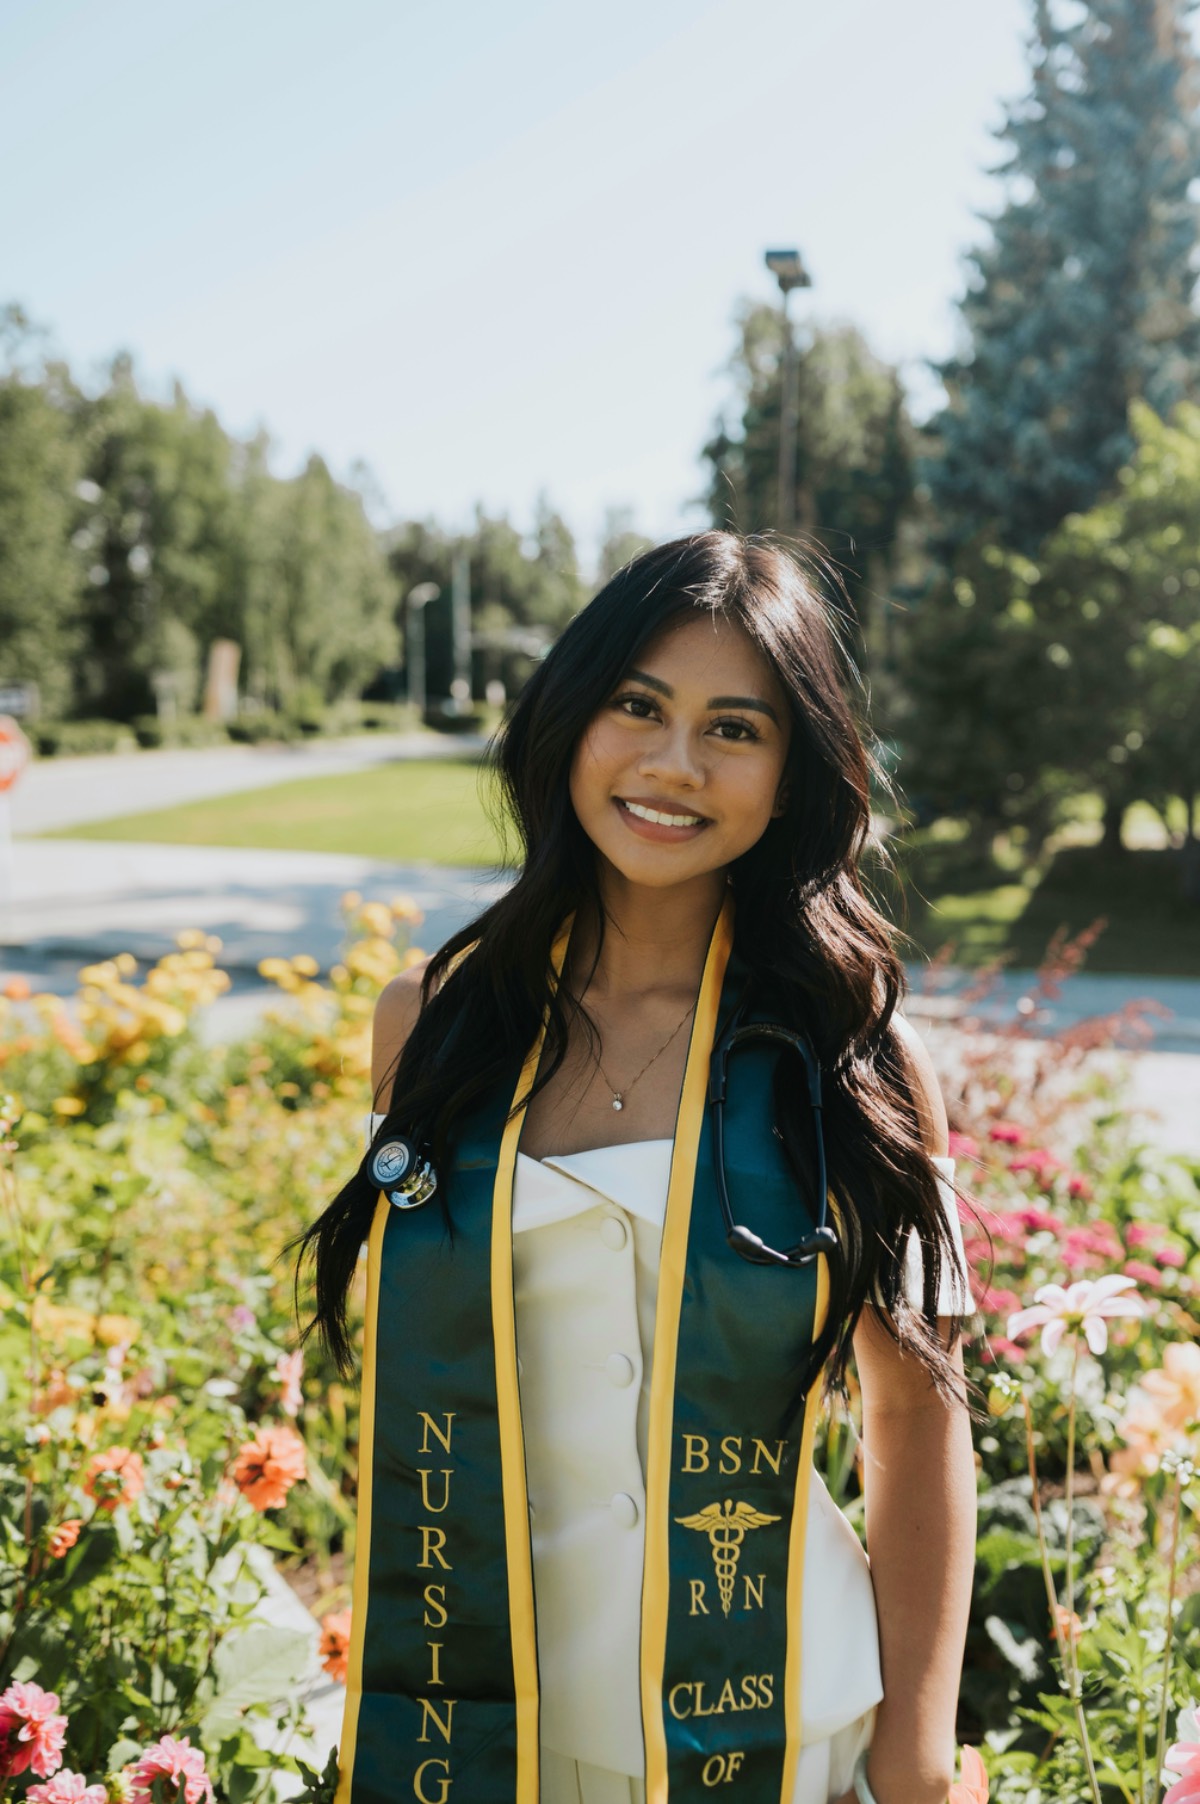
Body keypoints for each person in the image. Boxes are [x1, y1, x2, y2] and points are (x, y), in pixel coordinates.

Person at [298, 531, 978, 1804]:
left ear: (796, 772)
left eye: (735, 727)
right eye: (638, 706)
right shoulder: (430, 1026)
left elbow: (918, 1415)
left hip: (777, 1731)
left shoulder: (866, 1063)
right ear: (570, 721)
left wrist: (918, 1764)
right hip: (487, 1728)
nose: (674, 765)